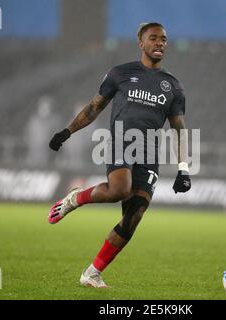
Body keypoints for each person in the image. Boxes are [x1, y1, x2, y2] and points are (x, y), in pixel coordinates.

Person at [48, 22, 191, 288]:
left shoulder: (173, 87)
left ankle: (92, 273)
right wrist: (67, 132)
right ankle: (75, 198)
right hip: (121, 142)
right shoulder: (120, 73)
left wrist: (183, 168)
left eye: (164, 39)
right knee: (119, 189)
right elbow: (93, 108)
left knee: (133, 217)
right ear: (141, 43)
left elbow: (178, 130)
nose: (160, 43)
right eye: (153, 38)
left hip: (149, 152)